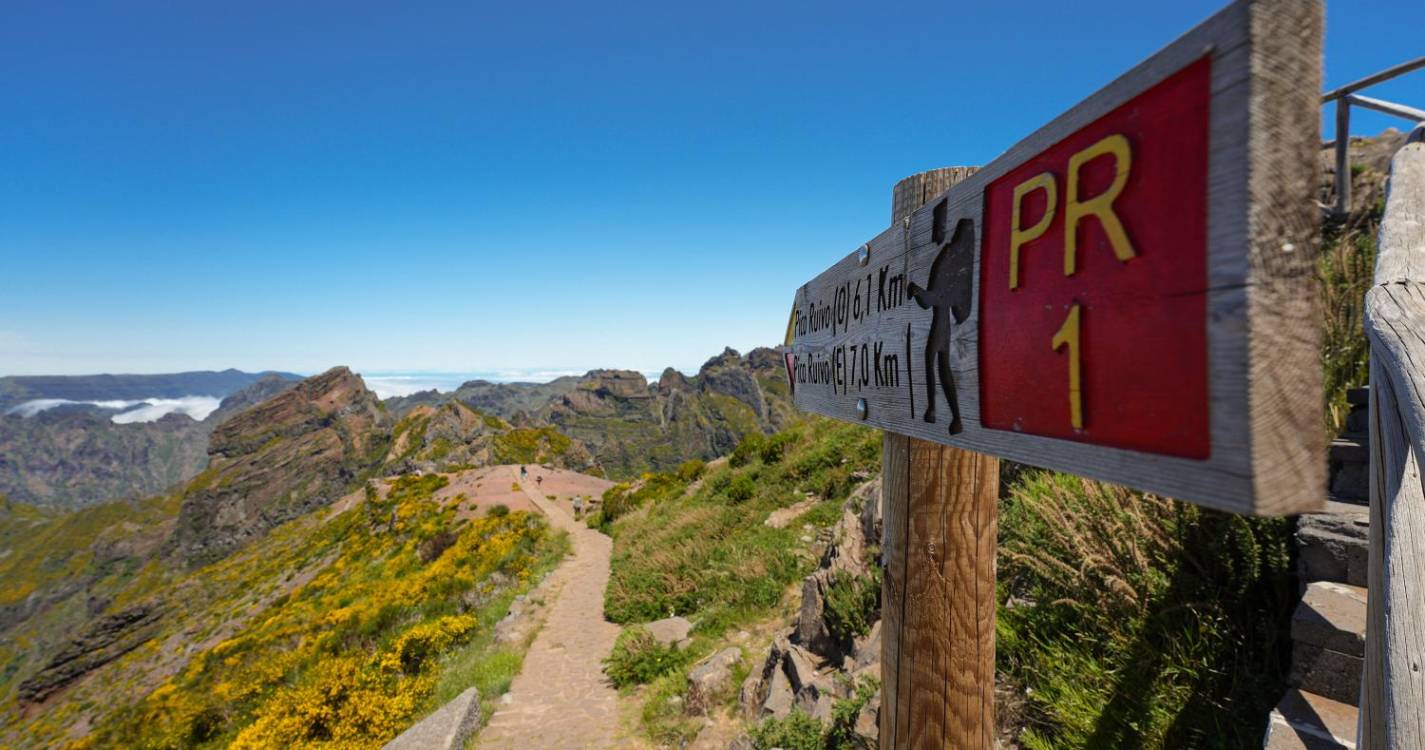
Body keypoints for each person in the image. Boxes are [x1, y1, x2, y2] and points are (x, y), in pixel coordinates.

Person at [907, 215, 976, 435]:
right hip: (942, 323)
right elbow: (934, 300)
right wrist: (919, 292)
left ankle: (938, 411)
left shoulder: (949, 259)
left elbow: (932, 301)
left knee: (933, 363)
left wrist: (916, 290)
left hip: (941, 324)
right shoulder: (958, 262)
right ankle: (946, 414)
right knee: (940, 366)